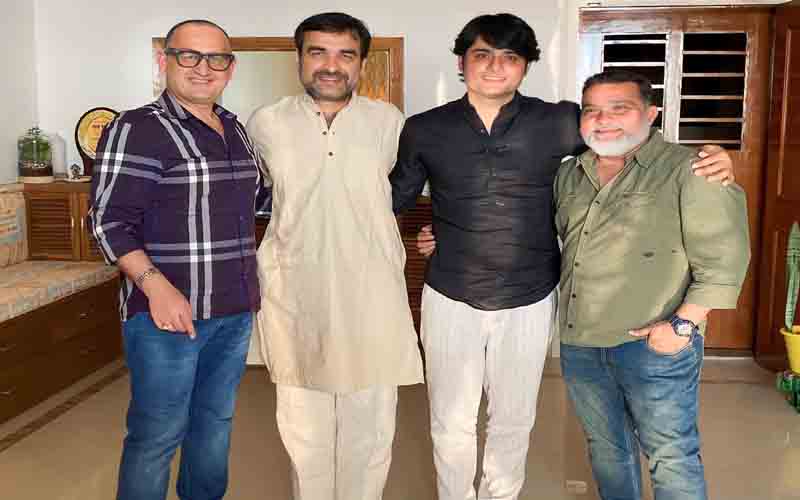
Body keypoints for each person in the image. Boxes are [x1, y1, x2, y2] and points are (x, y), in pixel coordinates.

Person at [392, 14, 735, 500]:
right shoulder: (424, 128)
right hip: (450, 291)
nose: (495, 66)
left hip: (530, 296)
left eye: (510, 57)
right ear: (461, 63)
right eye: (482, 54)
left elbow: (629, 137)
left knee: (514, 419)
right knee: (449, 421)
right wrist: (425, 231)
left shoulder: (558, 121)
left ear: (525, 67)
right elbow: (396, 197)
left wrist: (713, 154)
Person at [246, 12, 423, 500]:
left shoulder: (389, 123)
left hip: (371, 292)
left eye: (346, 54)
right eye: (318, 52)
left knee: (371, 426)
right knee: (304, 430)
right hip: (295, 290)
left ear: (361, 63)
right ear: (299, 59)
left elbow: (415, 186)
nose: (331, 65)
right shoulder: (265, 123)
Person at [554, 69, 750, 500]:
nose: (603, 120)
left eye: (619, 108)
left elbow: (725, 256)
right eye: (591, 110)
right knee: (607, 450)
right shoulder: (569, 174)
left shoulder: (690, 168)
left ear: (651, 113)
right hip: (581, 342)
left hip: (654, 343)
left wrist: (682, 325)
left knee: (672, 456)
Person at [88, 19, 261, 500]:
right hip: (167, 316)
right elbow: (107, 221)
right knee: (157, 435)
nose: (203, 68)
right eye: (189, 55)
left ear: (230, 68)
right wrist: (155, 286)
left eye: (216, 58)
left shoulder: (234, 128)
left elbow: (258, 202)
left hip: (233, 309)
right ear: (164, 61)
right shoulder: (138, 128)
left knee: (215, 424)